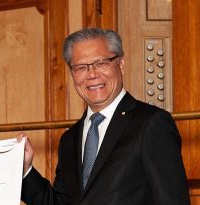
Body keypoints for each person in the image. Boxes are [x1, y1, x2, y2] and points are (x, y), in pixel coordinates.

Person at [19, 28, 190, 204]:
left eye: (101, 63)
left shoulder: (151, 123)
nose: (92, 74)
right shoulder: (69, 139)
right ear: (72, 73)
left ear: (121, 64)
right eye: (81, 67)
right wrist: (25, 170)